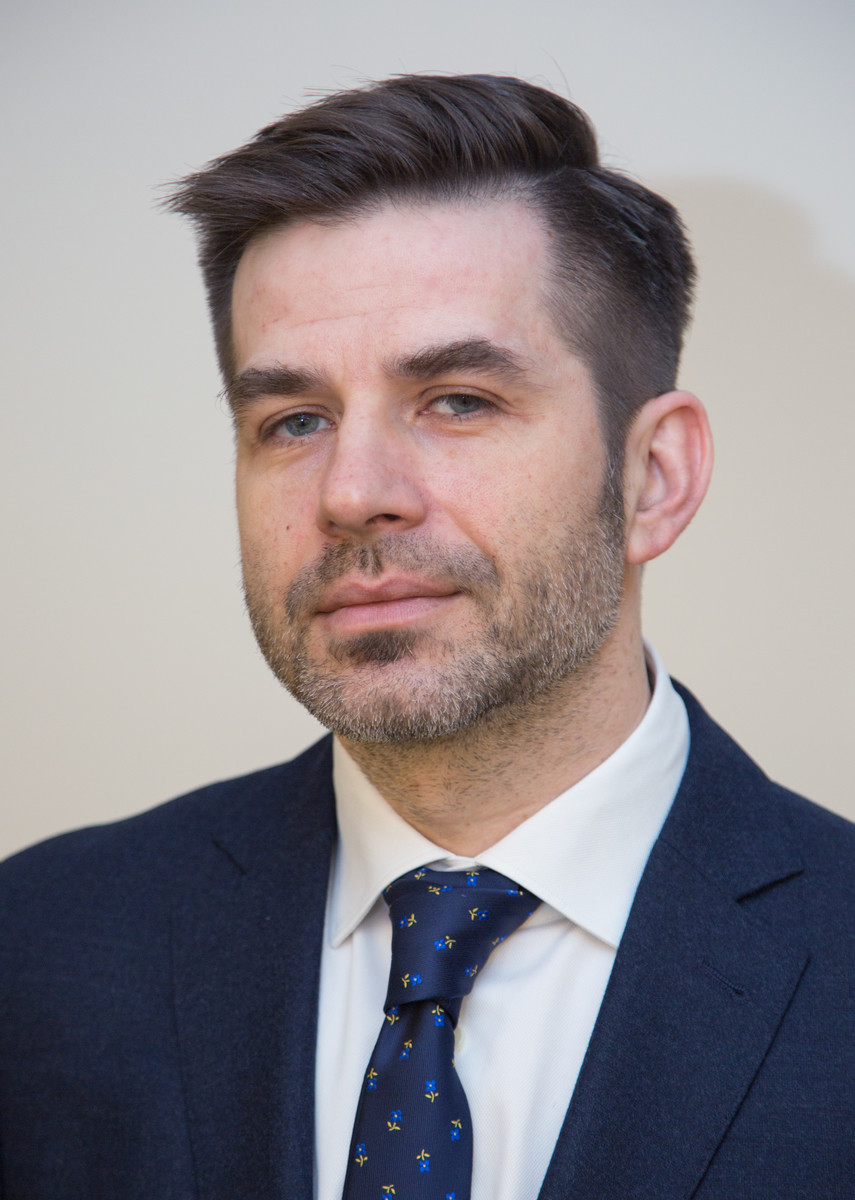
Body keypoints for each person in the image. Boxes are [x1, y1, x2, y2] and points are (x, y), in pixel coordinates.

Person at [0, 74, 852, 1200]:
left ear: (652, 477)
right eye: (293, 421)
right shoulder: (38, 947)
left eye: (457, 400)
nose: (353, 493)